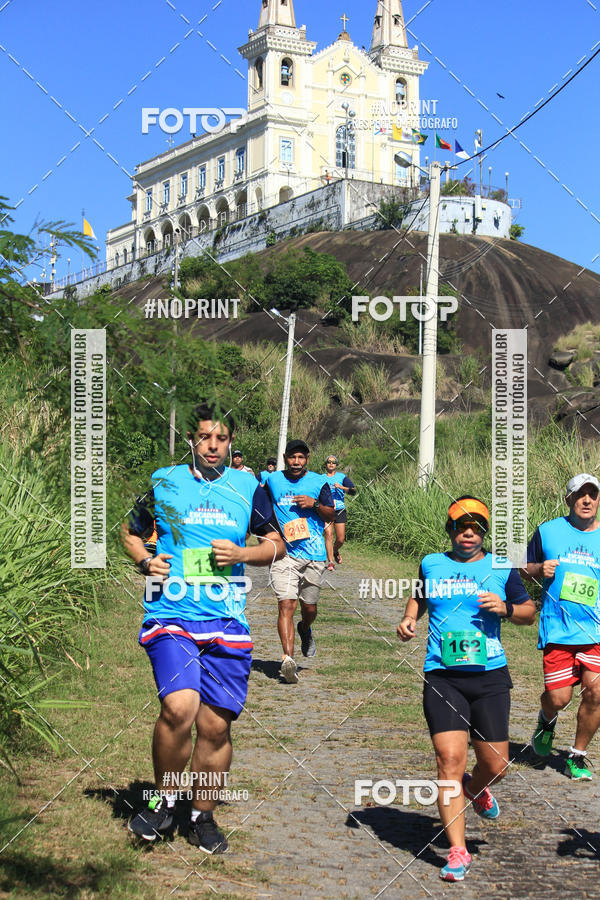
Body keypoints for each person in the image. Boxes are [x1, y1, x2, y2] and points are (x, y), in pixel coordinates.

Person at [122, 402, 285, 851]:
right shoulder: (164, 482)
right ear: (191, 441)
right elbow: (130, 531)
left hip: (227, 620)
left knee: (215, 727)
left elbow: (278, 545)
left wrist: (242, 556)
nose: (212, 445)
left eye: (221, 438)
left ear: (231, 442)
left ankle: (202, 816)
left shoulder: (249, 486)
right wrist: (145, 560)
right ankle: (164, 799)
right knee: (179, 708)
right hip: (170, 613)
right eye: (203, 437)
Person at [397, 496, 535, 882]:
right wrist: (409, 618)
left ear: (484, 533)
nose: (468, 533)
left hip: (490, 676)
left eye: (476, 527)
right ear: (450, 529)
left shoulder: (501, 567)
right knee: (448, 761)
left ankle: (476, 789)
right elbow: (419, 596)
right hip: (442, 675)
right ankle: (458, 851)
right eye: (461, 526)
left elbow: (529, 612)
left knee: (496, 765)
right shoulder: (431, 563)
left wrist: (506, 609)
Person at [526, 473, 600, 780]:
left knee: (596, 692)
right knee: (559, 698)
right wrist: (538, 569)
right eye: (580, 494)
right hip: (558, 629)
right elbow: (521, 567)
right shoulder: (548, 531)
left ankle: (577, 756)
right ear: (567, 499)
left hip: (595, 631)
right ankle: (547, 720)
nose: (587, 500)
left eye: (592, 495)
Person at [264, 439, 334, 683]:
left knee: (309, 609)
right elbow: (260, 506)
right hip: (284, 554)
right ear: (285, 457)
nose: (296, 462)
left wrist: (314, 504)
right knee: (286, 605)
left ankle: (305, 628)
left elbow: (332, 512)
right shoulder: (272, 480)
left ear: (307, 459)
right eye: (292, 457)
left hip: (314, 556)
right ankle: (288, 661)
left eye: (301, 458)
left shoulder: (318, 482)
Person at [322, 455, 356, 571]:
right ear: (326, 464)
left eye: (333, 462)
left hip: (340, 509)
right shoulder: (321, 478)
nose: (331, 464)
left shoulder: (342, 477)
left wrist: (341, 487)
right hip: (327, 509)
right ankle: (331, 562)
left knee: (340, 539)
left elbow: (353, 491)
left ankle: (335, 550)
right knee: (329, 535)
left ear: (336, 465)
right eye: (329, 462)